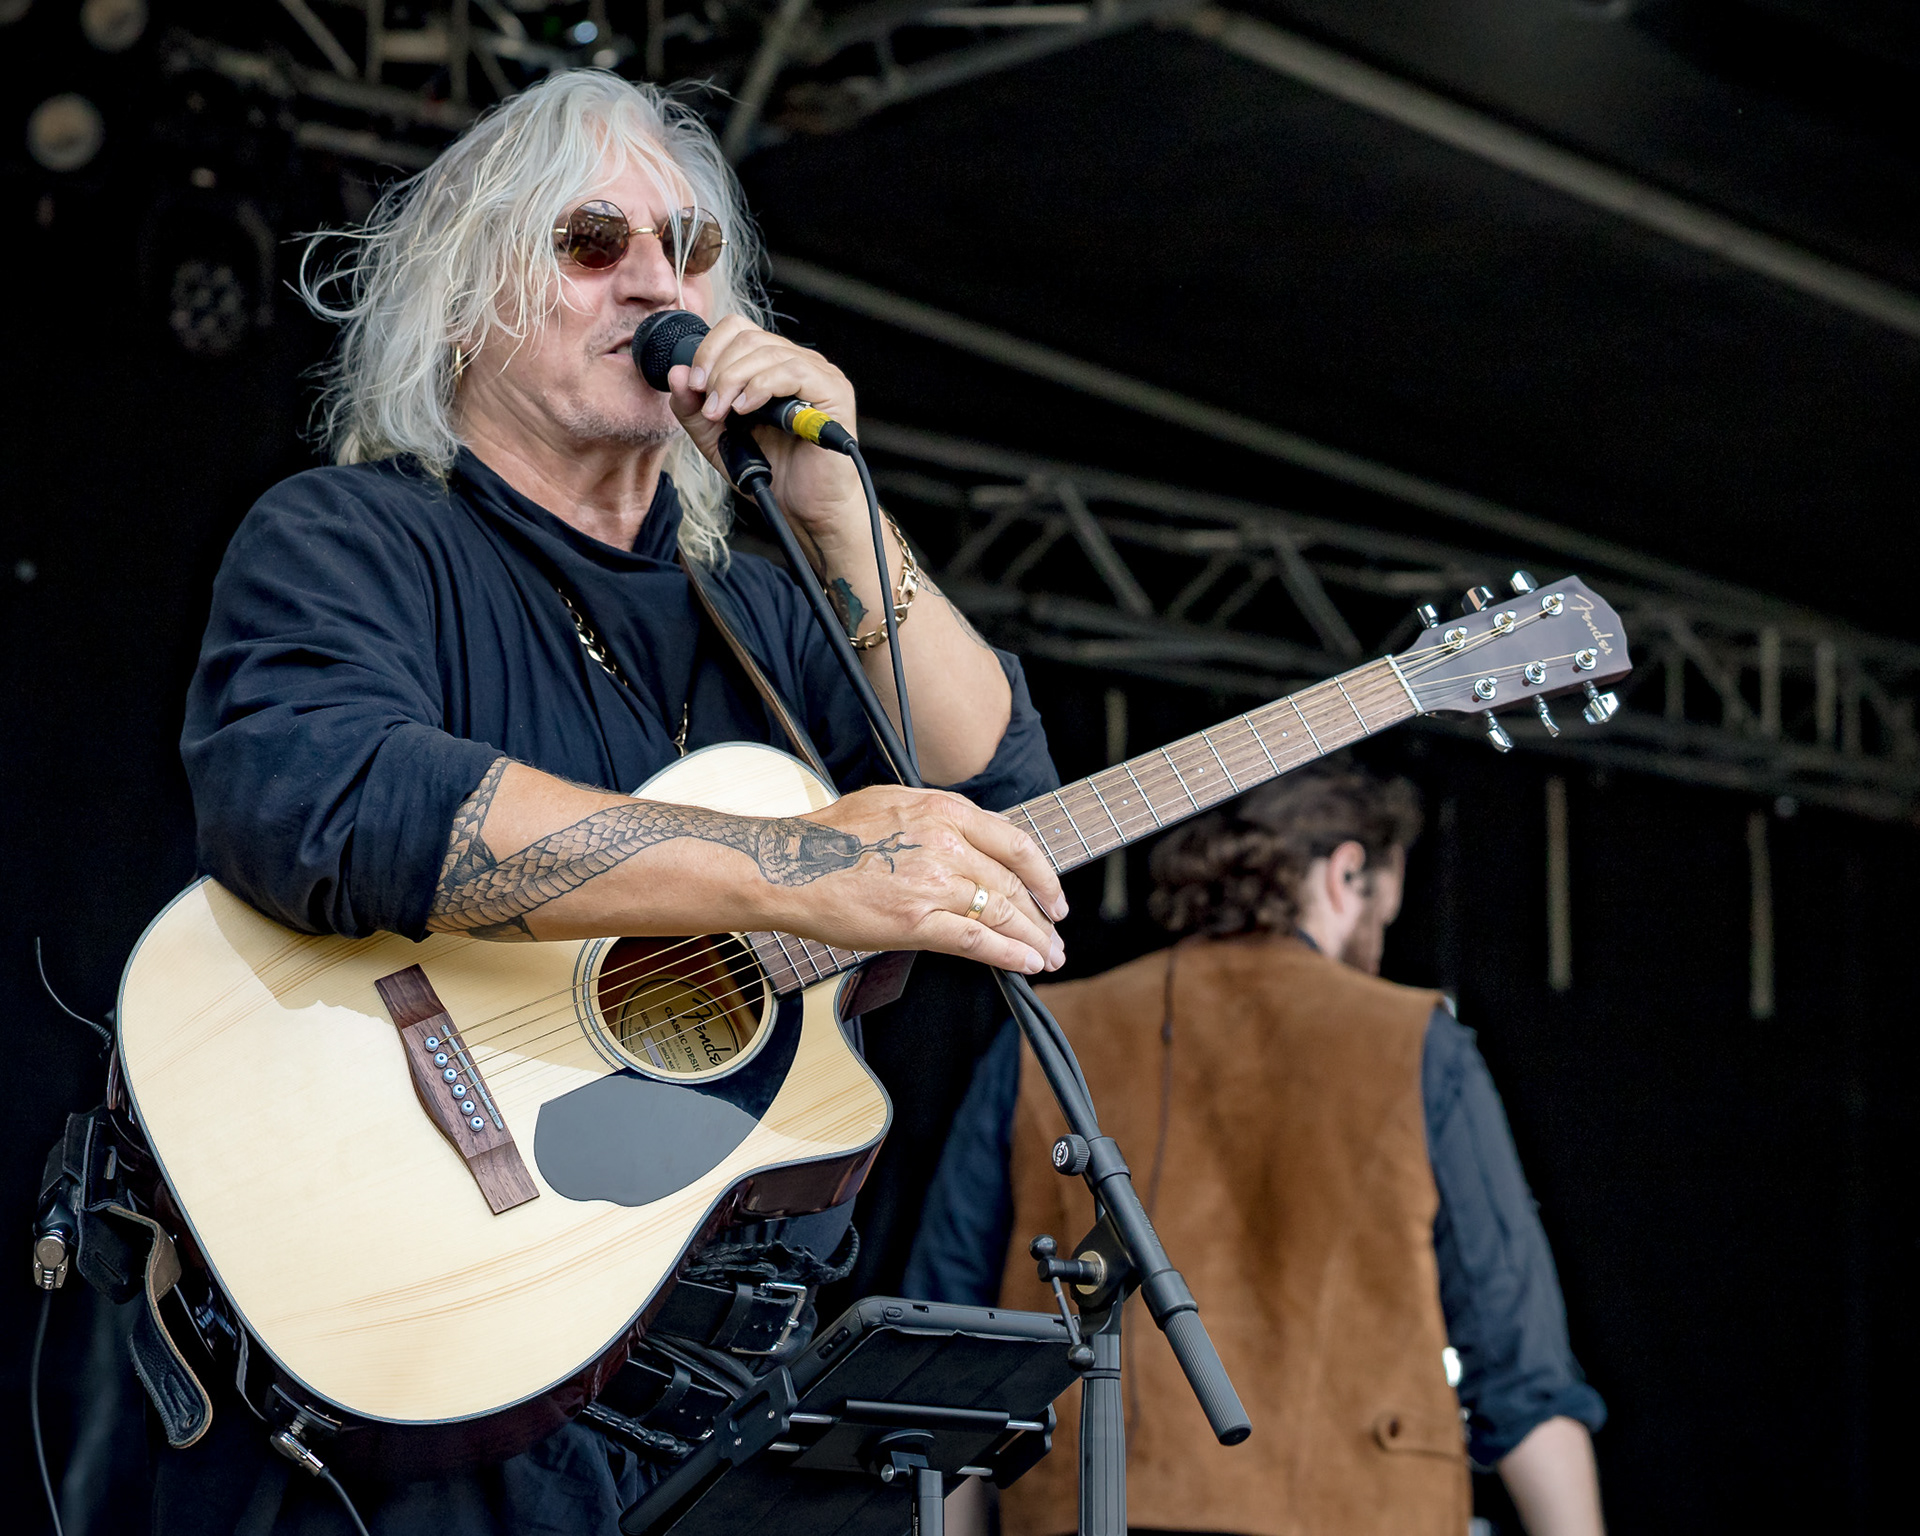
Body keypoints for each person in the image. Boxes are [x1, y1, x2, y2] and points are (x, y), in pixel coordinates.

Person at [163, 69, 1067, 1535]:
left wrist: (838, 505)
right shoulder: (355, 537)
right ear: (463, 295)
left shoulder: (762, 619)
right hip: (453, 1392)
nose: (662, 286)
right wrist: (794, 866)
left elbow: (1000, 809)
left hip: (744, 1397)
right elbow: (326, 795)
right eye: (593, 244)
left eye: (695, 252)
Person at [905, 762, 1607, 1536]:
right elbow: (1520, 1363)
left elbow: (947, 1356)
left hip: (1089, 1510)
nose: (1377, 951)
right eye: (1386, 915)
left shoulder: (1048, 1039)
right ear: (1347, 872)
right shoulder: (1415, 1042)